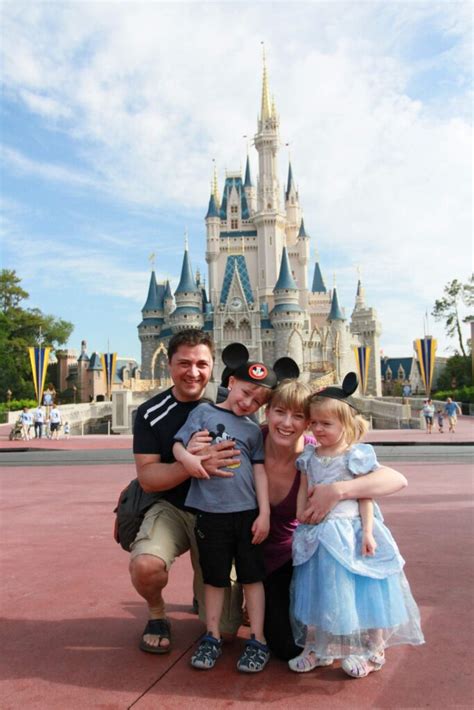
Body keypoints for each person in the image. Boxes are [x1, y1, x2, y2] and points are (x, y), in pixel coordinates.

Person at [260, 379, 409, 661]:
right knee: (310, 606)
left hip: (306, 549)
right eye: (280, 412)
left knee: (348, 591)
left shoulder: (336, 451)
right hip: (275, 552)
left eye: (301, 417)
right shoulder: (255, 443)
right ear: (267, 412)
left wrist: (339, 491)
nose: (289, 423)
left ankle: (367, 648)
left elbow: (394, 480)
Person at [288, 375, 424, 678]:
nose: (318, 429)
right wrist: (301, 515)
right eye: (315, 423)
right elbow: (303, 487)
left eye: (327, 424)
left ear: (345, 424)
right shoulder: (309, 456)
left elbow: (366, 495)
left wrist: (368, 531)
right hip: (317, 534)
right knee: (318, 591)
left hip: (349, 532)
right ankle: (319, 648)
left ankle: (374, 650)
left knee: (363, 591)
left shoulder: (356, 454)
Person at [130, 329, 242, 655]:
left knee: (227, 631)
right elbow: (148, 478)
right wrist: (190, 463)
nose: (193, 372)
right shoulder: (151, 413)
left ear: (213, 366)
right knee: (146, 565)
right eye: (184, 363)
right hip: (174, 508)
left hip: (220, 514)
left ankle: (204, 590)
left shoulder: (230, 405)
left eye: (201, 364)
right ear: (169, 364)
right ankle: (156, 615)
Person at [173, 355, 276, 672]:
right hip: (210, 513)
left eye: (258, 400)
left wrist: (265, 513)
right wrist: (188, 461)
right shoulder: (202, 412)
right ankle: (212, 635)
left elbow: (259, 471)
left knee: (252, 577)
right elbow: (179, 445)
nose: (248, 402)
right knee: (215, 578)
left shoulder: (252, 431)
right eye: (246, 392)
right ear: (231, 383)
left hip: (247, 514)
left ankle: (258, 639)